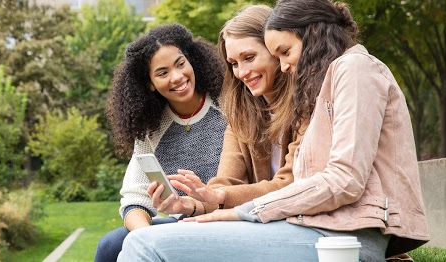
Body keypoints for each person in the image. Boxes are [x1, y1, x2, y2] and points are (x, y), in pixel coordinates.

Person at [117, 0, 430, 261]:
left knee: (142, 244)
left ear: (308, 37)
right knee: (136, 241)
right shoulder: (250, 107)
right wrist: (197, 204)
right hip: (310, 225)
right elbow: (226, 181)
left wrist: (240, 212)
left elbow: (338, 181)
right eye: (234, 63)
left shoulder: (347, 72)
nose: (282, 66)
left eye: (281, 52)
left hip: (340, 233)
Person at [93, 23, 227, 262]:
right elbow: (135, 201)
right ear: (150, 84)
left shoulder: (227, 106)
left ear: (191, 60)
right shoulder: (151, 129)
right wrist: (147, 239)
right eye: (162, 73)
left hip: (227, 219)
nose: (177, 77)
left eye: (180, 64)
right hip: (180, 224)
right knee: (111, 245)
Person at [156, 4, 300, 220]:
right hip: (252, 221)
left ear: (276, 51)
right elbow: (225, 183)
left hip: (291, 221)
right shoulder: (242, 116)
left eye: (249, 58)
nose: (241, 73)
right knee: (114, 243)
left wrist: (219, 195)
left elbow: (291, 184)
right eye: (233, 63)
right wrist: (190, 205)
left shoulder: (306, 106)